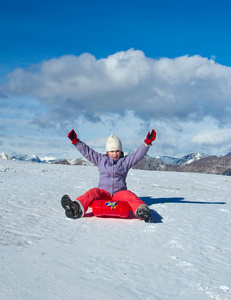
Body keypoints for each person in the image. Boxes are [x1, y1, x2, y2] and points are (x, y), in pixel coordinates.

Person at [61, 129, 156, 222]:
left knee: (129, 195)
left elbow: (138, 155)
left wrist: (147, 143)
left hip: (120, 194)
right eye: (112, 151)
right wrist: (76, 142)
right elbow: (87, 152)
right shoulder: (101, 160)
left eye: (117, 151)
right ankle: (75, 207)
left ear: (121, 151)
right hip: (103, 193)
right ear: (107, 151)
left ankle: (141, 210)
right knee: (93, 192)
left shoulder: (126, 161)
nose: (115, 154)